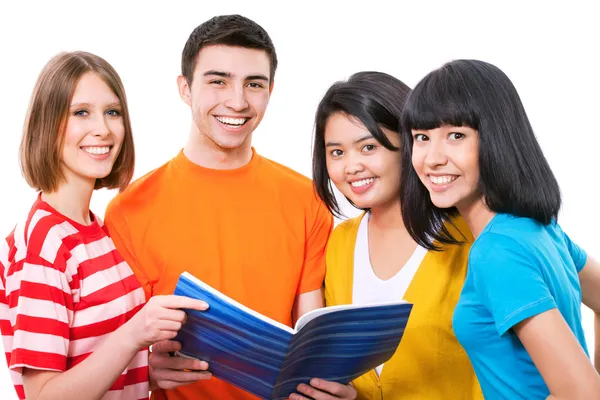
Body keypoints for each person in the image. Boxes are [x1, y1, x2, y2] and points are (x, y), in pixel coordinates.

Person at [103, 14, 350, 400]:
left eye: (253, 84)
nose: (237, 102)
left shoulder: (307, 199)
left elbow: (309, 337)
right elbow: (115, 351)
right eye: (218, 81)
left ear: (271, 90)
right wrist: (147, 372)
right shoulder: (127, 210)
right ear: (185, 88)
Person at [0, 51, 208, 400]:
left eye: (112, 112)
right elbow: (45, 396)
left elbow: (95, 359)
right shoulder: (42, 246)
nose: (103, 128)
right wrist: (134, 334)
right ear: (46, 124)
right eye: (81, 112)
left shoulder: (100, 230)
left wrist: (149, 371)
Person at [400, 59, 600, 399]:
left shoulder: (497, 252)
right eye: (422, 137)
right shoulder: (539, 228)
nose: (432, 158)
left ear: (497, 138)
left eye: (456, 135)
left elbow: (582, 394)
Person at [299, 71, 483, 400]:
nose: (351, 166)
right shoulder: (339, 243)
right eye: (336, 152)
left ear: (409, 144)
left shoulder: (473, 236)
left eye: (368, 147)